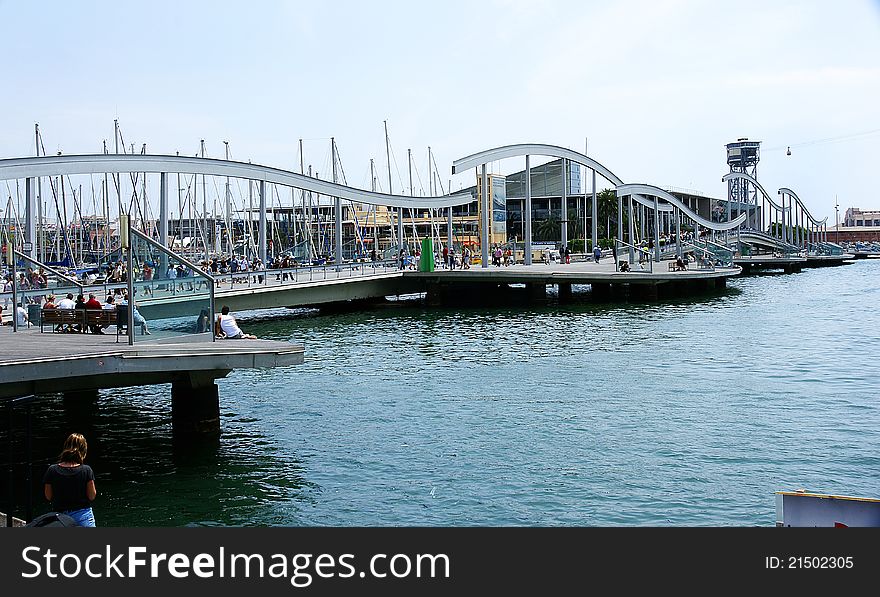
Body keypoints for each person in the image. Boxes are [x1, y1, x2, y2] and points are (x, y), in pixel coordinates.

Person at [42, 433, 97, 527]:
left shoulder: (52, 470)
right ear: (83, 450)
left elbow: (48, 496)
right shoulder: (86, 470)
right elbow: (91, 496)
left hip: (60, 518)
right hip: (83, 516)